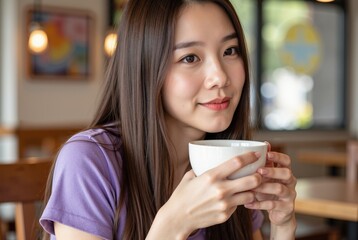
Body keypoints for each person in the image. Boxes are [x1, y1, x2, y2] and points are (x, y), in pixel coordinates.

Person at [40, 0, 297, 239]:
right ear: (146, 68)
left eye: (230, 51)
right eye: (190, 58)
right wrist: (173, 226)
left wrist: (283, 225)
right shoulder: (89, 161)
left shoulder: (231, 163)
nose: (219, 76)